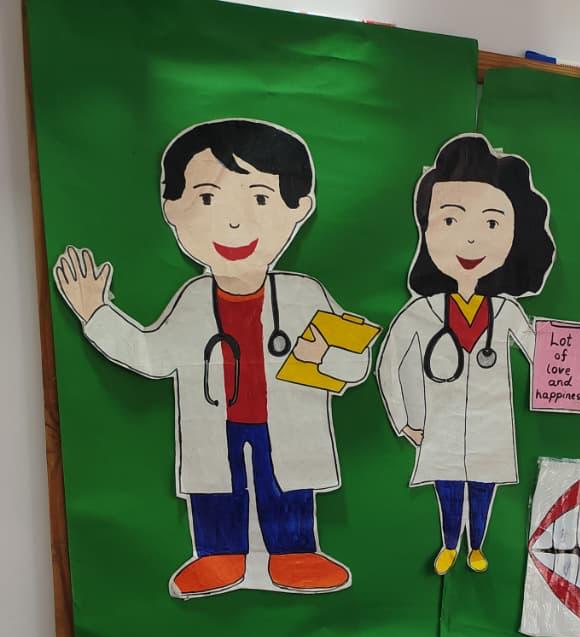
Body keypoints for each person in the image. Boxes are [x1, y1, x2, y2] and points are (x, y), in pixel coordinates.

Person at [54, 118, 372, 598]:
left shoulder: (305, 296)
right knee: (216, 485)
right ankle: (218, 554)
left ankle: (294, 552)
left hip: (283, 421)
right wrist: (96, 314)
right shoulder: (191, 300)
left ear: (299, 208)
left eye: (260, 199)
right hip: (217, 421)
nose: (234, 222)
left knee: (285, 482)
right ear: (172, 209)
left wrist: (324, 357)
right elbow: (152, 355)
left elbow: (357, 365)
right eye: (207, 199)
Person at [376, 134, 555, 575]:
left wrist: (571, 365)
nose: (471, 240)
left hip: (490, 426)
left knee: (483, 487)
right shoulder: (423, 311)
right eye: (451, 220)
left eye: (492, 224)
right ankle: (448, 544)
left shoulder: (507, 312)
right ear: (427, 230)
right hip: (440, 422)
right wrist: (404, 421)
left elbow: (543, 357)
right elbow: (388, 364)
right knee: (448, 487)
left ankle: (477, 546)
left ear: (516, 237)